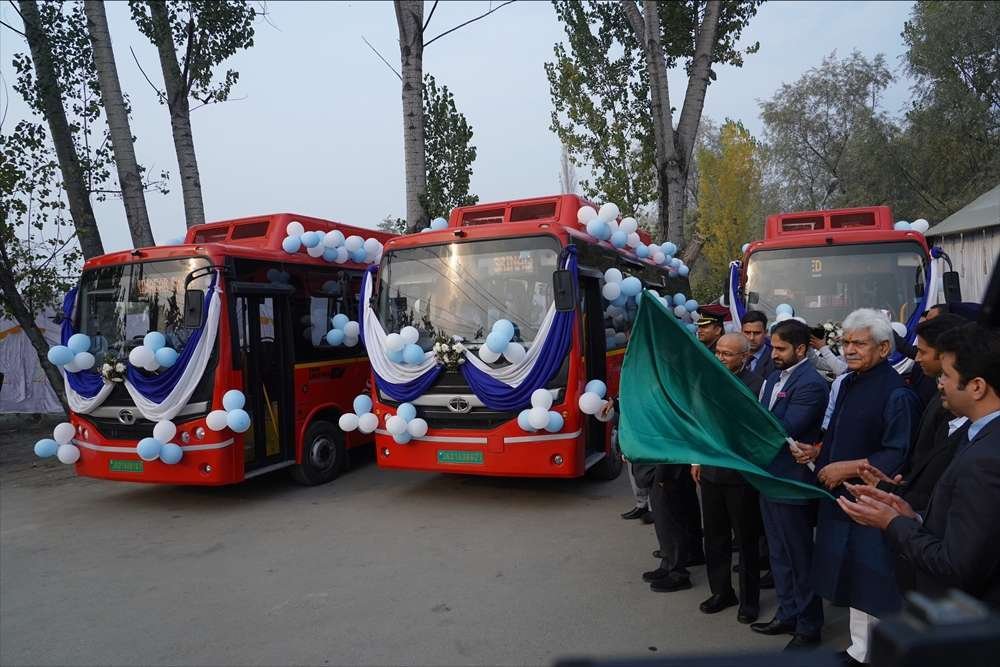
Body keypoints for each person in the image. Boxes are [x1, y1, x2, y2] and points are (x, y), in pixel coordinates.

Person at [838, 322, 1000, 609]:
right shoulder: (979, 437)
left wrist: (893, 523)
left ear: (976, 387)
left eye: (947, 376)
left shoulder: (985, 460)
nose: (940, 384)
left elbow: (956, 564)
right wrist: (914, 516)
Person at [804, 309, 921, 666]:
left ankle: (880, 653)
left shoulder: (896, 393)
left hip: (871, 501)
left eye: (859, 343)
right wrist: (821, 455)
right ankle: (860, 649)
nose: (849, 350)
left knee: (874, 579)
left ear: (884, 349)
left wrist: (849, 468)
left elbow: (897, 452)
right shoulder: (851, 382)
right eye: (845, 342)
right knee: (855, 576)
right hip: (841, 499)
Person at [752, 320, 830, 650]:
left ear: (801, 349)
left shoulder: (811, 384)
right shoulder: (772, 378)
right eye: (773, 347)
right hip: (769, 478)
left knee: (799, 555)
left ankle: (809, 625)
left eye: (781, 348)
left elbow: (785, 428)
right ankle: (787, 613)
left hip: (793, 481)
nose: (774, 353)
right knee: (779, 553)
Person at [691, 333, 764, 623]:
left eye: (728, 354)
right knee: (715, 537)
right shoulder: (708, 379)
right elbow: (700, 422)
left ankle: (750, 600)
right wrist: (697, 459)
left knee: (746, 541)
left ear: (744, 357)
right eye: (718, 352)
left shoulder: (757, 385)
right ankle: (721, 591)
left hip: (742, 477)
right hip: (710, 473)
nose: (720, 357)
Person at [742, 310, 774, 378]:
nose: (751, 338)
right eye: (747, 333)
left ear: (765, 333)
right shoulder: (734, 355)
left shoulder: (775, 361)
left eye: (757, 333)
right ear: (741, 332)